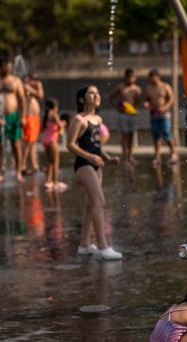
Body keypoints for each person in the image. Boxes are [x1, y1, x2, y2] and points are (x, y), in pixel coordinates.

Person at [67, 85, 123, 260]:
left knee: (90, 204)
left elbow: (97, 146)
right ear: (82, 99)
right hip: (83, 165)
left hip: (96, 164)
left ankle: (84, 245)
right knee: (100, 201)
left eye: (97, 92)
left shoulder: (97, 119)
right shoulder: (79, 120)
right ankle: (102, 246)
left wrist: (107, 157)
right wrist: (90, 157)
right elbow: (70, 145)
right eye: (91, 92)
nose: (96, 95)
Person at [0, 56, 27, 183]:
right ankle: (2, 173)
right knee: (0, 146)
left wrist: (23, 116)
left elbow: (22, 100)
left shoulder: (15, 81)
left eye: (10, 66)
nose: (9, 69)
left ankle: (18, 172)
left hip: (13, 116)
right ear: (0, 66)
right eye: (6, 66)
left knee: (16, 145)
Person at [109, 68, 142, 187]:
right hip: (122, 114)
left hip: (132, 114)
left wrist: (136, 110)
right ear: (126, 77)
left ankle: (130, 155)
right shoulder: (120, 87)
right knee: (124, 135)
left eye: (133, 77)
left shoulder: (137, 89)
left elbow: (137, 102)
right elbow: (111, 98)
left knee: (132, 135)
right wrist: (117, 106)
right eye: (129, 77)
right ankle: (124, 155)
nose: (131, 79)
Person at [144, 69, 178, 168]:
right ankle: (157, 155)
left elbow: (172, 98)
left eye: (152, 78)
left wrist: (165, 107)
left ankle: (173, 153)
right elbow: (146, 100)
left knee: (166, 132)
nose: (151, 80)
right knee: (156, 135)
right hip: (154, 113)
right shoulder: (149, 88)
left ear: (157, 77)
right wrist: (147, 105)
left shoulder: (165, 86)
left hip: (164, 114)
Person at [42, 99, 69, 191]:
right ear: (55, 107)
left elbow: (43, 129)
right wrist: (64, 122)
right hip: (52, 141)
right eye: (57, 107)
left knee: (50, 162)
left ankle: (48, 181)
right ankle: (56, 182)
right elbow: (60, 125)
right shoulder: (54, 114)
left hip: (45, 140)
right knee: (56, 162)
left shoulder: (46, 116)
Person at [21, 75, 45, 175]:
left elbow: (41, 95)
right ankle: (22, 165)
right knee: (28, 142)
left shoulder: (32, 89)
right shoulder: (22, 88)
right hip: (28, 117)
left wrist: (35, 86)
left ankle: (34, 165)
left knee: (33, 142)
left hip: (35, 117)